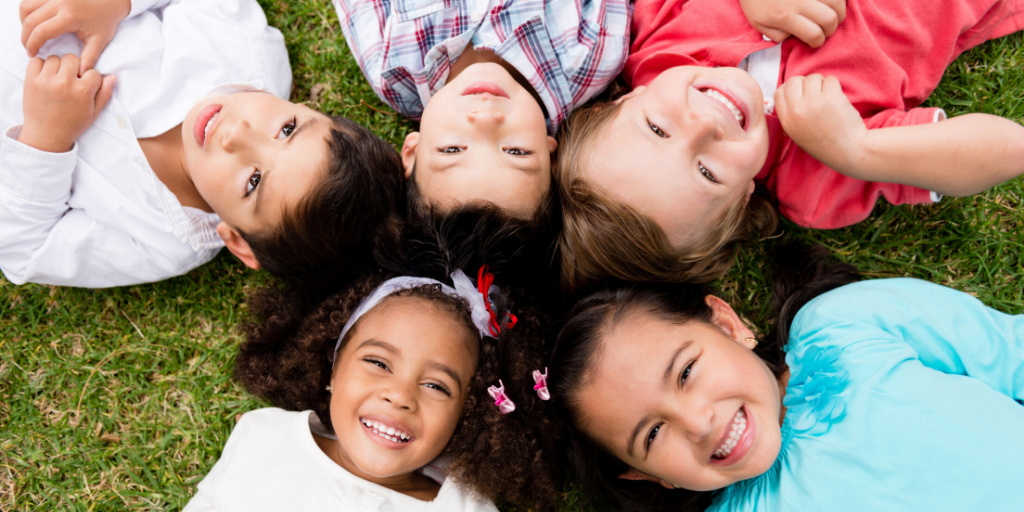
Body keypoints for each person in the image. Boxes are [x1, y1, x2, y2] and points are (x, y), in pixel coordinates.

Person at [554, 0, 1024, 291]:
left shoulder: (656, 36)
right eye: (706, 172)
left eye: (658, 129)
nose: (704, 125)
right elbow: (1008, 149)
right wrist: (856, 150)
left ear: (619, 101)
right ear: (740, 204)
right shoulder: (814, 178)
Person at [535, 245, 1024, 512]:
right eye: (653, 433)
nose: (698, 421)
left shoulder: (842, 326)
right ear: (647, 476)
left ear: (727, 325)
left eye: (686, 372)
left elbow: (1009, 353)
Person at [0, 0, 404, 288]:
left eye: (253, 181)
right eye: (286, 129)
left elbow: (25, 249)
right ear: (307, 107)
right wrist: (116, 4)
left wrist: (46, 137)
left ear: (237, 241)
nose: (236, 133)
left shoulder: (162, 242)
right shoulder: (245, 49)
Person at [331, 0, 847, 221]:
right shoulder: (591, 56)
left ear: (412, 149)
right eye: (515, 150)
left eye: (452, 149)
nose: (485, 120)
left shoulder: (392, 66)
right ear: (549, 149)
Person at [183, 268, 562, 511]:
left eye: (435, 385)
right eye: (379, 363)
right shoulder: (265, 435)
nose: (399, 396)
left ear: (465, 414)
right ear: (331, 367)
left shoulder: (464, 508)